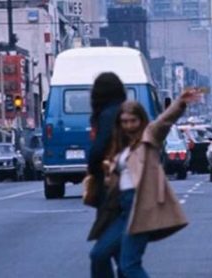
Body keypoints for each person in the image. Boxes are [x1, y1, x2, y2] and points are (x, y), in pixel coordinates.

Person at [89, 87, 200, 278]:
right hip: (121, 209)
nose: (129, 125)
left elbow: (165, 121)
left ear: (141, 121)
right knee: (99, 255)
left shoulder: (150, 137)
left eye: (133, 121)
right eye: (124, 122)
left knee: (129, 265)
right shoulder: (120, 144)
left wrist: (180, 103)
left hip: (140, 207)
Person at [87, 72, 127, 278]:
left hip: (113, 191)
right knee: (122, 257)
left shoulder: (108, 114)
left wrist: (93, 169)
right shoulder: (124, 112)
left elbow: (97, 150)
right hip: (124, 189)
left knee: (101, 254)